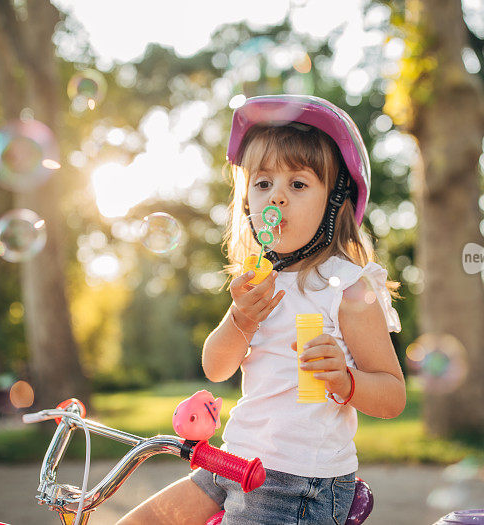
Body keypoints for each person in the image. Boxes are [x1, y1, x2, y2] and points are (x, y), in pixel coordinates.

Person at [119, 95, 406, 525]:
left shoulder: (347, 288)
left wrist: (346, 381)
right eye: (263, 183)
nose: (277, 198)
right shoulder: (257, 282)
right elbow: (216, 369)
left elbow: (393, 396)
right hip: (233, 461)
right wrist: (240, 320)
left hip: (297, 482)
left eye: (298, 184)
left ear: (335, 199)